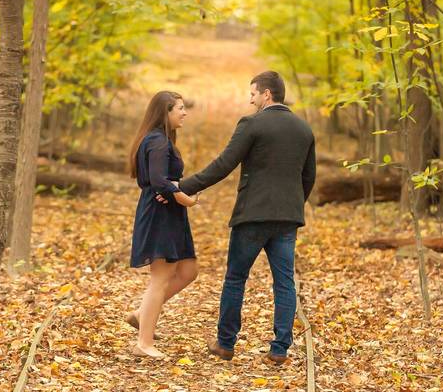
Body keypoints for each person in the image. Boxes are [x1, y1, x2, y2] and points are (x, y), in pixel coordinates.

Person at [177, 71, 315, 365]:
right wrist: (292, 205)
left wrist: (184, 186)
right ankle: (279, 349)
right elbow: (309, 176)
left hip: (253, 215)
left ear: (267, 94)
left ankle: (226, 343)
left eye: (253, 93)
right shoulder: (304, 129)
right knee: (285, 283)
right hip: (287, 218)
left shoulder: (252, 124)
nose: (249, 99)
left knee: (236, 279)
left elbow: (224, 164)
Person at [126, 91, 199, 358]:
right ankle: (144, 343)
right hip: (160, 214)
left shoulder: (161, 139)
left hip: (169, 212)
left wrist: (176, 189)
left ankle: (141, 314)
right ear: (165, 112)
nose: (184, 112)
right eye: (179, 108)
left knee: (189, 270)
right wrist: (185, 198)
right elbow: (158, 180)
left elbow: (163, 181)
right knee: (161, 277)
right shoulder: (157, 141)